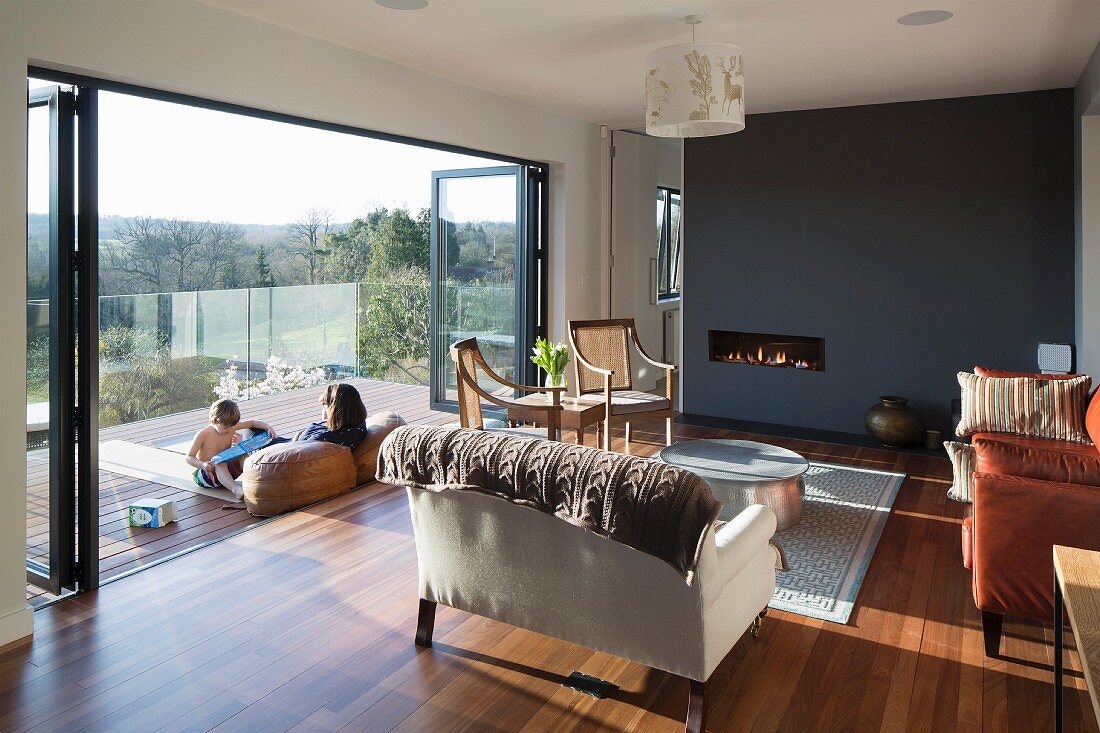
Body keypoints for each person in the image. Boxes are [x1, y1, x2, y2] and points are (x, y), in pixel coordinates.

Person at [186, 398, 278, 501]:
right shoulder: (203, 434)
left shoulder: (231, 426)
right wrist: (202, 465)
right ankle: (236, 490)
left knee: (242, 455)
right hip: (206, 475)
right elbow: (189, 457)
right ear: (214, 420)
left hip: (227, 474)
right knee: (219, 462)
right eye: (225, 427)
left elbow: (252, 423)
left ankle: (254, 479)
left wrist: (269, 428)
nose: (229, 430)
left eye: (232, 426)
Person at [294, 383, 369, 450]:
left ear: (335, 410)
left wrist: (296, 436)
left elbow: (294, 449)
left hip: (291, 445)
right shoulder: (359, 426)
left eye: (325, 405)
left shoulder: (321, 439)